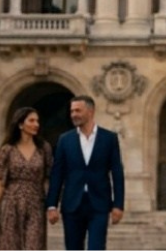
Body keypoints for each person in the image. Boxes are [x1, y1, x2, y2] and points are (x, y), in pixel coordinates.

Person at [45, 95, 125, 251]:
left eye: (78, 110)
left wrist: (118, 205)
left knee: (97, 247)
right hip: (72, 204)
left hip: (99, 204)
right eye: (72, 111)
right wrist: (52, 205)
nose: (74, 114)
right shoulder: (64, 140)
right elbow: (57, 174)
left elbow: (117, 172)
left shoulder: (109, 138)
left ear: (90, 111)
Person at [0, 107, 52, 250]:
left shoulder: (44, 148)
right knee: (9, 246)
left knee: (34, 246)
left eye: (37, 121)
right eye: (31, 120)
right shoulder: (7, 149)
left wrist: (51, 204)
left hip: (36, 204)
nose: (36, 124)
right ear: (20, 124)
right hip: (10, 204)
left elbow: (48, 178)